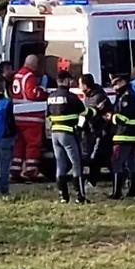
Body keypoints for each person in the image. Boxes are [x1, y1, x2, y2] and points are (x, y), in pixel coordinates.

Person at [47, 70, 89, 204]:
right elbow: (84, 112)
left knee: (60, 164)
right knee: (76, 164)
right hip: (68, 133)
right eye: (70, 80)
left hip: (55, 134)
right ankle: (80, 196)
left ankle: (63, 196)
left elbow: (48, 115)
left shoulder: (51, 96)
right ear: (65, 81)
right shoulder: (70, 97)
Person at [10, 54, 47, 182]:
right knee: (33, 144)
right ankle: (30, 170)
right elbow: (32, 94)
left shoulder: (18, 75)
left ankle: (15, 169)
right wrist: (43, 92)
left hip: (18, 116)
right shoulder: (29, 76)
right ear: (33, 64)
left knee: (19, 144)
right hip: (30, 117)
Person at [108, 73, 135, 200]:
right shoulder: (129, 94)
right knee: (131, 162)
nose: (114, 87)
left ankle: (117, 192)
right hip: (133, 135)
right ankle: (132, 190)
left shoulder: (126, 97)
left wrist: (111, 117)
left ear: (123, 81)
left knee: (116, 162)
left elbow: (123, 117)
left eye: (116, 83)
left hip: (124, 134)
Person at [78, 73, 113, 187]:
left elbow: (91, 113)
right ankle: (120, 178)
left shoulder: (97, 97)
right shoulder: (89, 95)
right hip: (94, 131)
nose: (79, 87)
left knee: (96, 157)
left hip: (102, 131)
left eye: (80, 84)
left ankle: (92, 181)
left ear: (85, 85)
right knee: (103, 158)